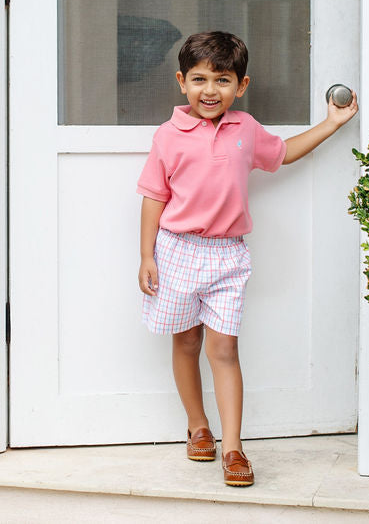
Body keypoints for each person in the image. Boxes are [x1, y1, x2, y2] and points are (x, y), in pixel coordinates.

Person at [136, 31, 357, 487]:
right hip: (176, 250)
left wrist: (332, 123)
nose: (210, 90)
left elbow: (285, 153)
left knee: (224, 349)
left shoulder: (246, 130)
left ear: (241, 85)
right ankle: (199, 427)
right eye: (199, 79)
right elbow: (154, 198)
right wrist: (146, 256)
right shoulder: (168, 135)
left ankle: (233, 449)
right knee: (185, 343)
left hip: (227, 256)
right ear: (181, 82)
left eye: (222, 80)